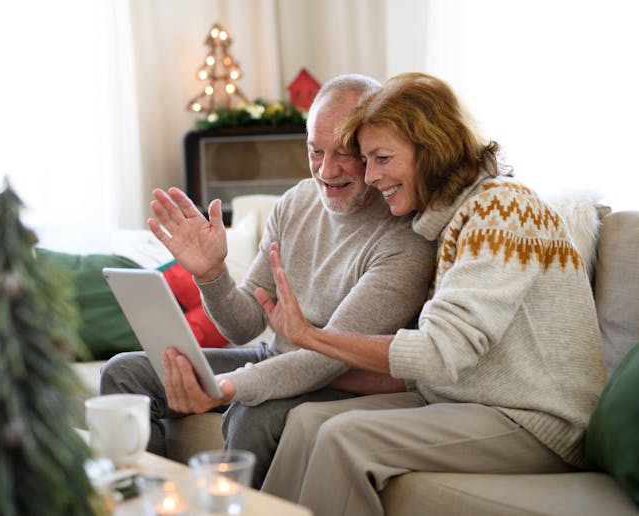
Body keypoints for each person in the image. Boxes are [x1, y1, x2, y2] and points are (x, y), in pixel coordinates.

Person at [256, 72, 608, 515]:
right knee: (306, 421)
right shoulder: (443, 222)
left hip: (536, 422)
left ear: (432, 149)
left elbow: (442, 352)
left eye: (382, 158)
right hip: (462, 401)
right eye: (366, 160)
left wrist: (312, 337)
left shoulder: (503, 206)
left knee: (344, 438)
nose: (371, 176)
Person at [99, 74, 437, 488]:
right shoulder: (295, 202)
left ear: (371, 147)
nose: (326, 171)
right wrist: (212, 274)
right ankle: (152, 501)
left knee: (251, 414)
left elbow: (326, 357)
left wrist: (224, 387)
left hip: (341, 378)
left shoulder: (403, 237)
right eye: (315, 150)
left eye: (345, 154)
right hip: (276, 357)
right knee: (124, 374)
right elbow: (243, 326)